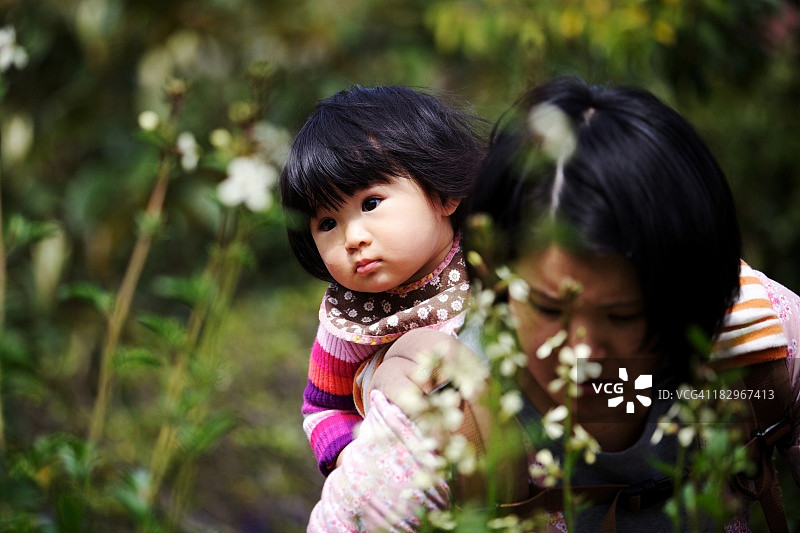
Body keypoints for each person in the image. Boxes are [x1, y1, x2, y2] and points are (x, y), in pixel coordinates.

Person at [306, 77, 800, 532]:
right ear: (492, 276)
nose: (580, 355)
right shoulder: (436, 415)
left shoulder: (759, 336)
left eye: (622, 315)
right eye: (546, 309)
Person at [279, 85, 484, 476]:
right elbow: (323, 409)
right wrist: (351, 461)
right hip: (411, 487)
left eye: (371, 203)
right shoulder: (350, 323)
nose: (353, 238)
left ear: (442, 193)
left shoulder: (489, 257)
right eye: (327, 223)